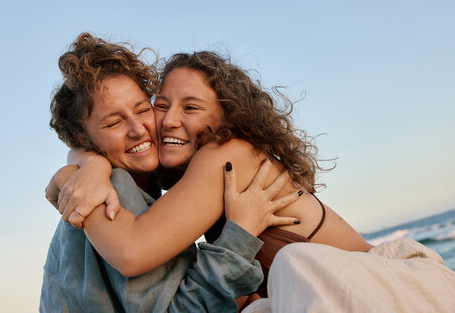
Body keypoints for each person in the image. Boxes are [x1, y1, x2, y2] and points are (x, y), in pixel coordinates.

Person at [51, 50, 372, 302]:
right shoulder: (185, 175)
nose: (170, 121)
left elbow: (131, 252)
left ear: (226, 115)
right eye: (162, 105)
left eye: (190, 108)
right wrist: (88, 163)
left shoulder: (227, 156)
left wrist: (74, 175)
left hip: (375, 292)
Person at [40, 33, 301, 312]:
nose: (138, 129)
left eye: (143, 110)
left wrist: (85, 162)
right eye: (114, 123)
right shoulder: (111, 194)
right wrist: (241, 235)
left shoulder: (106, 184)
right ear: (84, 140)